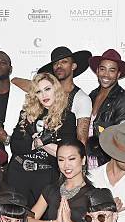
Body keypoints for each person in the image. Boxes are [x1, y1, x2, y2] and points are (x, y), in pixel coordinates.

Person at [7, 73, 77, 207]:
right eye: (39, 91)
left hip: (45, 176)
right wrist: (45, 142)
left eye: (47, 89)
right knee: (15, 220)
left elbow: (63, 153)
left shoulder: (67, 118)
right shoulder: (26, 114)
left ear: (55, 89)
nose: (44, 95)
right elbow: (15, 146)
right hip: (18, 171)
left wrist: (37, 140)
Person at [13, 46, 92, 145]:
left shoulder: (81, 99)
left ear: (73, 66)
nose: (59, 66)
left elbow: (82, 140)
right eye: (55, 63)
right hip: (37, 154)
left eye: (64, 62)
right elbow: (15, 81)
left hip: (62, 154)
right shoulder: (45, 93)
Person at [87, 49, 125, 168]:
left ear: (118, 74)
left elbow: (122, 138)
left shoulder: (124, 98)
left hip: (107, 162)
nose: (106, 75)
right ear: (97, 71)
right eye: (102, 69)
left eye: (112, 70)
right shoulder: (91, 95)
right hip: (87, 160)